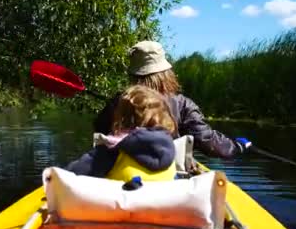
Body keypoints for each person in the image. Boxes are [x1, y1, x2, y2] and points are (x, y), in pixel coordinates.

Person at [93, 40, 252, 159]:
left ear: (134, 74)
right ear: (166, 72)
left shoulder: (119, 102)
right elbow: (207, 141)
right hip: (166, 174)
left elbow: (100, 131)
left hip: (123, 171)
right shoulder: (183, 105)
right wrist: (236, 147)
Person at [66, 85, 178, 182]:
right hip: (161, 205)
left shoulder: (112, 150)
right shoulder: (169, 151)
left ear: (121, 118)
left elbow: (72, 174)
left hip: (121, 205)